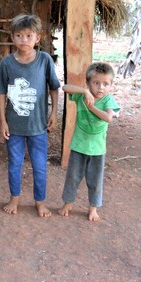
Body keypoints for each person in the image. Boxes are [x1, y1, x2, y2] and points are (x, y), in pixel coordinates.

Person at [0, 13, 60, 217]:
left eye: (29, 36)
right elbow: (1, 93)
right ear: (12, 37)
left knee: (40, 166)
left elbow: (54, 87)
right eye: (19, 35)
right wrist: (3, 121)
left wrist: (54, 112)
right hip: (14, 126)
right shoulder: (6, 63)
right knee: (14, 164)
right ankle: (15, 198)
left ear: (38, 38)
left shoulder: (44, 60)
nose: (24, 40)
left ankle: (40, 201)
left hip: (38, 126)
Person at [59, 62, 120, 221]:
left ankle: (93, 208)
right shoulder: (82, 95)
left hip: (97, 150)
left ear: (111, 86)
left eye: (106, 84)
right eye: (96, 83)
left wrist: (91, 107)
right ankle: (68, 203)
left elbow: (108, 118)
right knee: (73, 177)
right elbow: (65, 88)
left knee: (95, 181)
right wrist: (85, 92)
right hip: (79, 146)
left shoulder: (108, 100)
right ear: (88, 83)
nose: (101, 88)